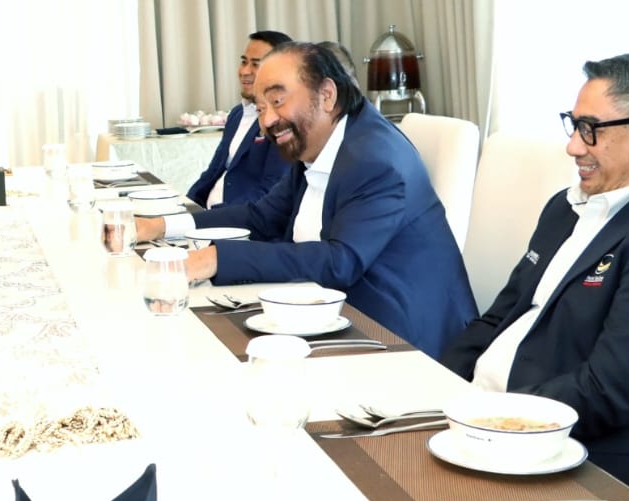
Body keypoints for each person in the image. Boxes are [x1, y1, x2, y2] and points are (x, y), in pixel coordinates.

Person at [136, 42, 475, 358]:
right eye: (261, 108)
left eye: (277, 101)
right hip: (324, 312)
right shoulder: (320, 144)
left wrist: (216, 258)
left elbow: (340, 261)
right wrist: (159, 226)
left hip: (397, 337)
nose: (267, 121)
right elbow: (259, 218)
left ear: (326, 95)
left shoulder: (375, 159)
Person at [440, 52, 629, 491]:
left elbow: (614, 387)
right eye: (574, 124)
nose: (574, 147)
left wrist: (497, 418)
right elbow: (500, 317)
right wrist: (435, 385)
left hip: (571, 446)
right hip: (478, 416)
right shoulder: (564, 207)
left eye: (592, 129)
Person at [185, 30, 293, 209]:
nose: (244, 71)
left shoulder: (283, 121)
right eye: (244, 62)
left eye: (256, 64)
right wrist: (185, 206)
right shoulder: (237, 114)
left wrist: (211, 218)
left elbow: (270, 191)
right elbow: (213, 172)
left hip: (238, 220)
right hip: (208, 213)